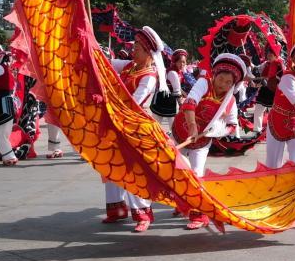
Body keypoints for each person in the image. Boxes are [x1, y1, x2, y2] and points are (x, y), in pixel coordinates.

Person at [102, 26, 167, 232]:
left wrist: (108, 102)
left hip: (137, 127)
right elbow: (107, 63)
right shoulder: (131, 66)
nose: (133, 51)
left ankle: (143, 214)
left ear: (148, 52)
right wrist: (91, 47)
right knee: (111, 165)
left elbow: (134, 103)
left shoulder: (149, 76)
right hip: (118, 122)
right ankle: (116, 209)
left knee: (133, 171)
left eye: (137, 48)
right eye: (134, 46)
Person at [172, 53, 246, 229]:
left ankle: (198, 214)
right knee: (175, 170)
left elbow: (233, 126)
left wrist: (215, 132)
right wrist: (192, 125)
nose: (223, 85)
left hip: (202, 141)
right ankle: (182, 202)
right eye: (221, 79)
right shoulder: (204, 82)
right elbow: (189, 103)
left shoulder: (230, 100)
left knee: (196, 174)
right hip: (181, 132)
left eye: (228, 83)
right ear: (215, 75)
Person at [253, 46, 283, 133]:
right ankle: (257, 130)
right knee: (258, 110)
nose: (269, 56)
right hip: (264, 90)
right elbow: (257, 69)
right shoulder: (266, 64)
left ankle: (274, 131)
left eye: (271, 54)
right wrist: (249, 63)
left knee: (273, 113)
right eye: (268, 54)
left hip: (274, 91)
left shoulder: (280, 64)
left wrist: (273, 79)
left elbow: (282, 77)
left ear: (276, 55)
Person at [150, 51, 182, 131]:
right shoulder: (173, 73)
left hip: (162, 99)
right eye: (180, 62)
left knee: (156, 126)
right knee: (171, 127)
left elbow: (177, 88)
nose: (182, 64)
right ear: (175, 62)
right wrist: (181, 105)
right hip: (164, 101)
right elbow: (177, 92)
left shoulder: (173, 71)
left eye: (184, 62)